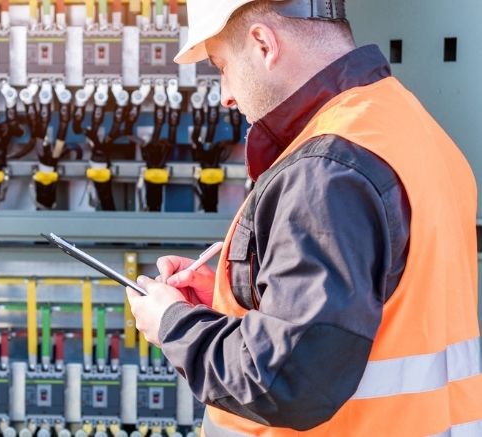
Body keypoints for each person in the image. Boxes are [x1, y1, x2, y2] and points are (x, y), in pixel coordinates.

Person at [126, 0, 482, 435]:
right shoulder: (407, 126)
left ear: (262, 43)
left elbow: (287, 380)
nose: (226, 95)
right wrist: (233, 295)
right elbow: (378, 309)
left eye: (221, 66)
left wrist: (173, 326)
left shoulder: (327, 170)